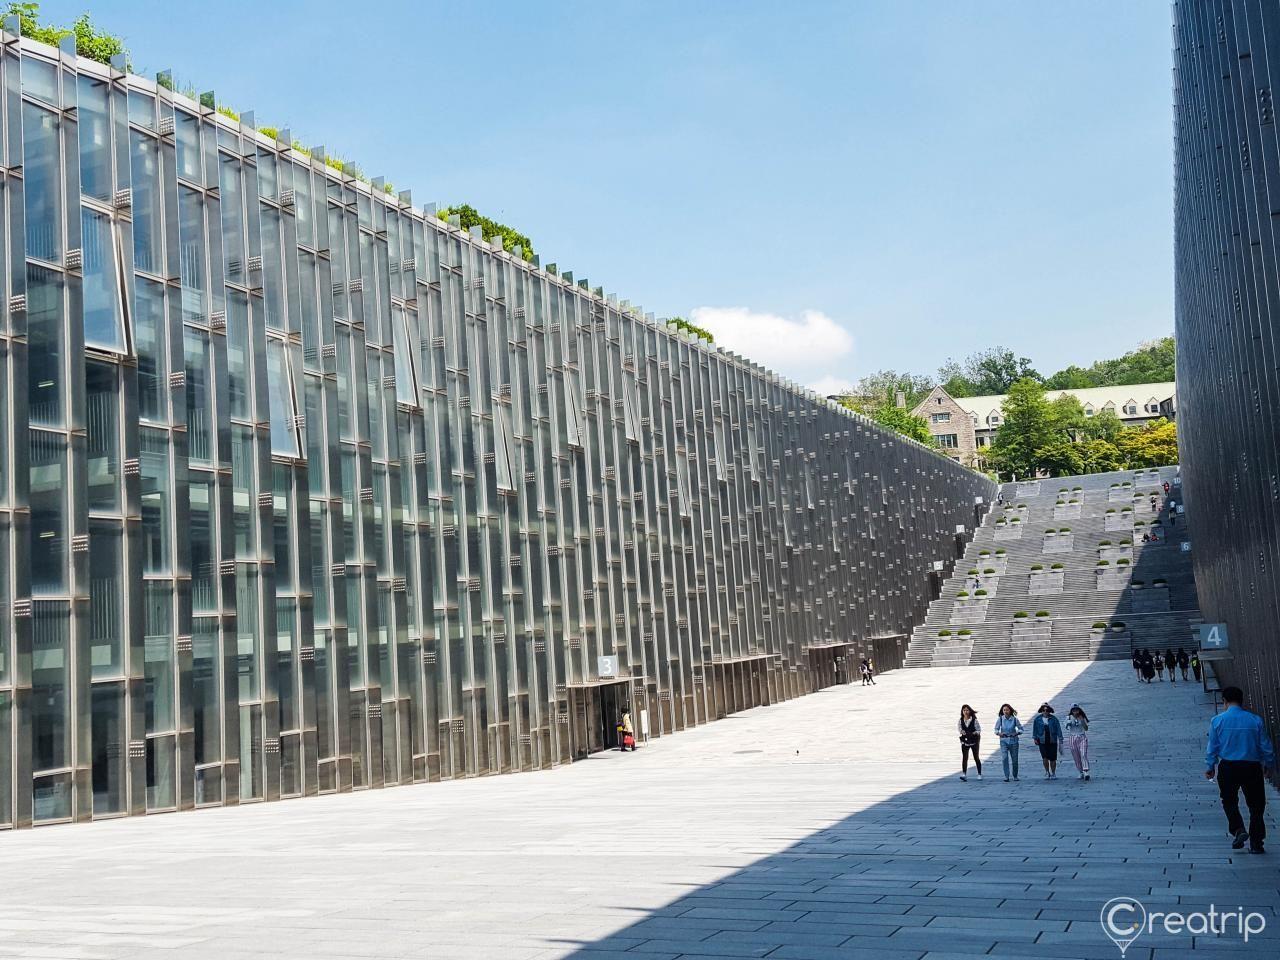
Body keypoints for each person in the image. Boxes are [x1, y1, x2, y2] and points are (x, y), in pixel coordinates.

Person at [1205, 686, 1276, 854]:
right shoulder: (1255, 720)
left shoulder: (1217, 721)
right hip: (1251, 767)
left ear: (1224, 701)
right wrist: (1269, 764)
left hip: (1228, 767)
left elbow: (1213, 746)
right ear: (1241, 701)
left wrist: (1210, 766)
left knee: (1229, 800)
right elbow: (1266, 746)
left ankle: (1238, 829)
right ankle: (1256, 842)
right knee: (1256, 805)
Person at [1032, 703, 1063, 779]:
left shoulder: (1054, 719)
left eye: (1047, 710)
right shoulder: (1037, 719)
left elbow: (1058, 728)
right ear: (1041, 711)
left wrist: (1060, 738)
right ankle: (1047, 772)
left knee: (1053, 758)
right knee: (1044, 757)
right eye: (1043, 710)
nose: (1045, 711)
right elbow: (1035, 729)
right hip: (1042, 740)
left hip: (1052, 740)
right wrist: (1035, 738)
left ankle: (1053, 773)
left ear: (1050, 711)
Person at [994, 703, 1022, 781]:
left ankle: (1015, 776)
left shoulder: (1015, 719)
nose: (1005, 711)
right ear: (1002, 711)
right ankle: (1006, 776)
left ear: (1010, 710)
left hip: (1014, 741)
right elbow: (996, 729)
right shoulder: (1000, 719)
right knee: (1004, 758)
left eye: (1007, 710)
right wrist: (999, 733)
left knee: (1015, 760)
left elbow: (1021, 729)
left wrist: (1016, 733)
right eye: (1004, 710)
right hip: (1004, 741)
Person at [1065, 704, 1091, 781]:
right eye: (1073, 710)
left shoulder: (1082, 717)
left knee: (1083, 754)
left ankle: (1086, 771)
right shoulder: (1068, 717)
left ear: (1079, 710)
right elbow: (1066, 727)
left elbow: (1086, 729)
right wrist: (1068, 723)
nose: (1075, 711)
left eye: (1077, 710)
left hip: (1082, 737)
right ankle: (1080, 771)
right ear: (1071, 711)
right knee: (1076, 756)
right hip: (1073, 737)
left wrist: (1082, 721)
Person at [958, 705, 982, 781]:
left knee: (976, 757)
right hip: (965, 740)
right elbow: (959, 728)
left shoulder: (974, 720)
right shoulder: (961, 720)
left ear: (970, 711)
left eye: (967, 710)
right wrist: (962, 731)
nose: (965, 712)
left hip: (974, 740)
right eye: (964, 710)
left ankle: (979, 774)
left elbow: (979, 730)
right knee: (965, 757)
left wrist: (975, 732)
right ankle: (964, 774)